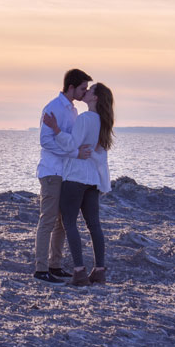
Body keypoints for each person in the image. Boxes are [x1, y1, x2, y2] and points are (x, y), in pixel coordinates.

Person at [43, 82, 114, 286]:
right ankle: (99, 270)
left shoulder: (85, 118)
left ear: (95, 98)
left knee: (70, 223)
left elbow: (72, 145)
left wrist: (56, 129)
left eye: (90, 90)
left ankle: (79, 271)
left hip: (75, 176)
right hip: (92, 179)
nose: (86, 92)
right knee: (94, 225)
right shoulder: (103, 121)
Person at [33, 69, 93, 285]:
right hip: (51, 172)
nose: (84, 92)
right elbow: (46, 142)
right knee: (47, 220)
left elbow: (70, 140)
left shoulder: (73, 111)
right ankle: (41, 269)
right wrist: (74, 153)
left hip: (66, 173)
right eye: (82, 88)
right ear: (71, 87)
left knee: (61, 222)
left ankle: (54, 265)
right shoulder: (53, 108)